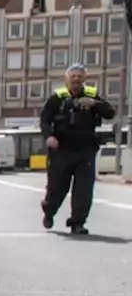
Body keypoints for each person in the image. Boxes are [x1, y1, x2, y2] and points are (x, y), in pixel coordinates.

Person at [39, 63, 114, 235]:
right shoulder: (57, 97)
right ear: (67, 79)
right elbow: (44, 120)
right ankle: (49, 211)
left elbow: (110, 112)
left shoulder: (92, 95)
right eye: (73, 76)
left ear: (85, 79)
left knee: (83, 190)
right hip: (61, 150)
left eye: (80, 76)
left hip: (85, 150)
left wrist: (94, 104)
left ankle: (77, 223)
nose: (76, 80)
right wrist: (49, 136)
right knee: (57, 189)